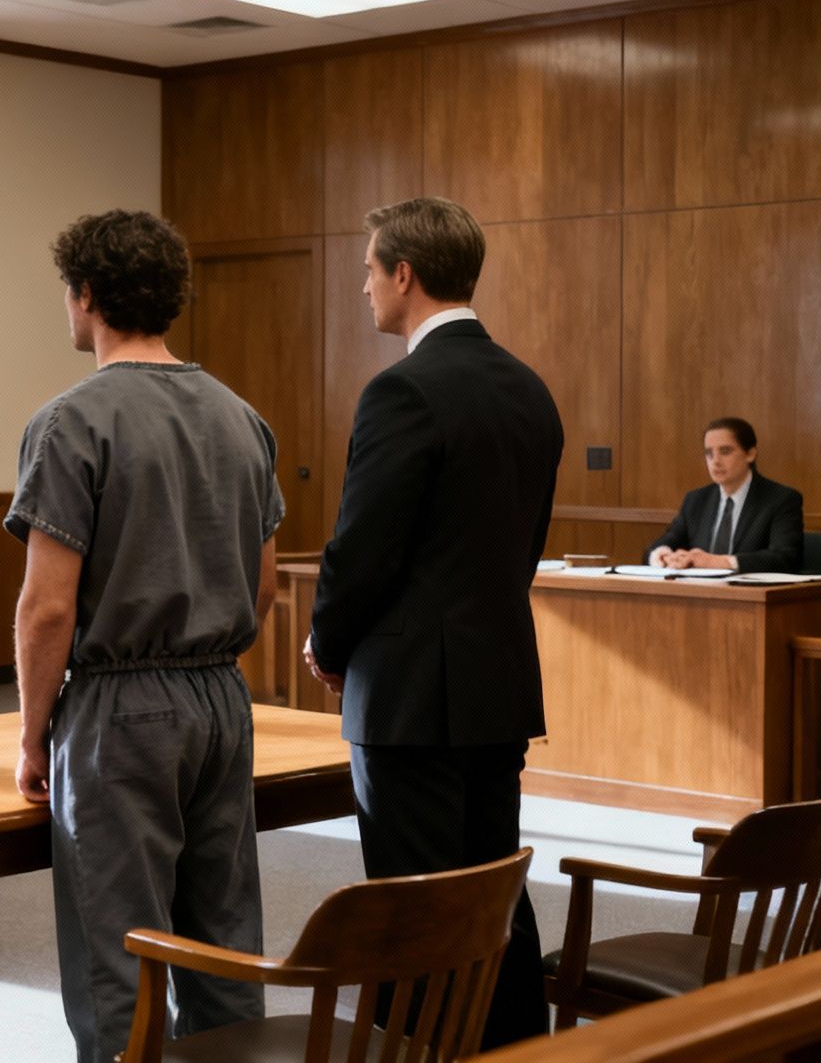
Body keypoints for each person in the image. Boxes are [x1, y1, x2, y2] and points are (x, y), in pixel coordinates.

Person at [6, 209, 283, 1063]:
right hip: (219, 697)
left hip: (119, 713)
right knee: (222, 937)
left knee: (115, 956)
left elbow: (48, 608)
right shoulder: (242, 417)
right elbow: (265, 585)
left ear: (86, 295)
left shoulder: (70, 422)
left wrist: (31, 736)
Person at [303, 197, 563, 1051]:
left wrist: (327, 643)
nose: (366, 289)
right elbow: (521, 550)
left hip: (411, 697)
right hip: (496, 683)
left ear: (404, 275)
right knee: (494, 898)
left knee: (413, 911)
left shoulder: (403, 391)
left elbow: (362, 551)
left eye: (370, 272)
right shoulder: (529, 388)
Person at [645, 417, 803, 572]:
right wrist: (664, 556)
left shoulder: (781, 499)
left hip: (748, 594)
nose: (715, 461)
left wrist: (720, 562)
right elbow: (661, 545)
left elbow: (785, 558)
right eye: (709, 453)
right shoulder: (696, 500)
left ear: (750, 454)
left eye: (725, 451)